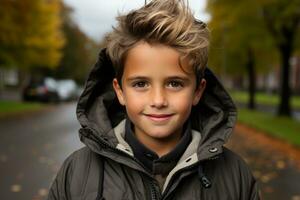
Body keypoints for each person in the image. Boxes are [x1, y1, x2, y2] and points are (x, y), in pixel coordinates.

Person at [47, 0, 260, 199]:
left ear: (197, 91)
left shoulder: (235, 175)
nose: (158, 100)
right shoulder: (77, 173)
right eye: (140, 84)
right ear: (120, 91)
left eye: (174, 83)